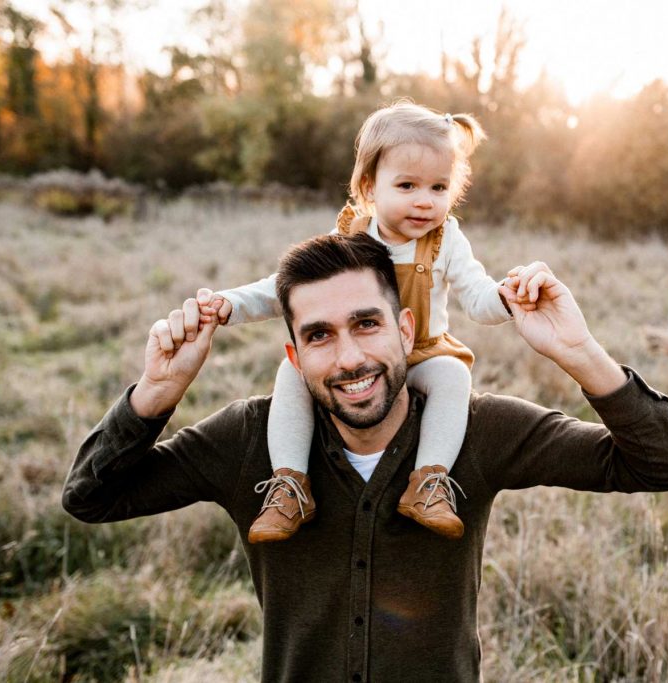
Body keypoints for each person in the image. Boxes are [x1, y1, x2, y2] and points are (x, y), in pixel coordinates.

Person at [62, 233, 668, 682]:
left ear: (405, 331)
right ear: (294, 357)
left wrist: (579, 351)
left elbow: (660, 463)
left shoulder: (481, 429)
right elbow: (91, 498)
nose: (349, 359)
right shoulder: (247, 439)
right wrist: (157, 394)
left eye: (366, 324)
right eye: (319, 336)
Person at [202, 101, 551, 543]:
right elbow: (288, 287)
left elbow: (477, 298)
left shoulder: (447, 241)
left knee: (452, 376)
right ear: (370, 186)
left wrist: (507, 296)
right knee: (292, 372)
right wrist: (229, 305)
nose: (425, 201)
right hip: (359, 351)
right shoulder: (351, 236)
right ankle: (290, 486)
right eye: (407, 185)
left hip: (421, 351)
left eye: (439, 188)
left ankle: (428, 482)